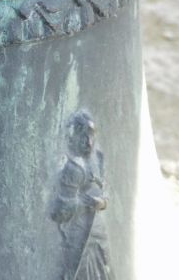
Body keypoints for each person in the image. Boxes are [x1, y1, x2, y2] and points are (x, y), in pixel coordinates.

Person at [51, 110, 113, 280]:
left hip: (98, 234)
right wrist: (84, 203)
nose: (89, 142)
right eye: (84, 136)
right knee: (77, 272)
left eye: (92, 135)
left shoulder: (99, 159)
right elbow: (60, 212)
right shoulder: (73, 168)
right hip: (79, 235)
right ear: (74, 137)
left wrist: (101, 203)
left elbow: (106, 192)